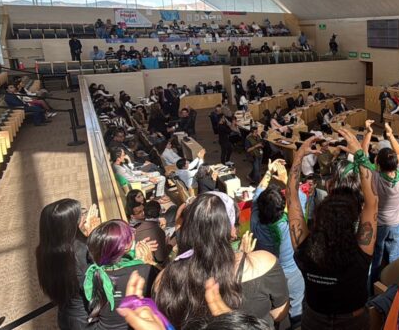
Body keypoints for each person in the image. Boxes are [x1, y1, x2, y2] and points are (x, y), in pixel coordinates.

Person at [155, 193, 289, 328]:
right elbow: (279, 314)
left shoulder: (163, 280)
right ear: (232, 230)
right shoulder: (262, 263)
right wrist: (244, 256)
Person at [288, 131, 378, 329]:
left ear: (319, 218)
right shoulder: (361, 252)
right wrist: (361, 155)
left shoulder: (305, 249)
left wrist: (297, 158)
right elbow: (372, 202)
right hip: (353, 322)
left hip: (314, 320)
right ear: (353, 219)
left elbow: (292, 200)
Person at [251, 160, 305, 327]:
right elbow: (299, 197)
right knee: (297, 308)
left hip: (268, 274)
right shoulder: (291, 222)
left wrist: (268, 172)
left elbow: (257, 195)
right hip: (293, 272)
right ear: (282, 207)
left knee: (273, 311)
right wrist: (284, 177)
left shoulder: (256, 223)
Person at [36, 199, 100, 330]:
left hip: (65, 315)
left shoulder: (45, 249)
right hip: (85, 320)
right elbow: (99, 281)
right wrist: (95, 238)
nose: (84, 217)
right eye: (80, 215)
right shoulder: (81, 253)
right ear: (69, 225)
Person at [83, 220, 158, 330]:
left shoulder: (93, 272)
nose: (133, 232)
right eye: (130, 232)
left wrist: (134, 255)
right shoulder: (144, 271)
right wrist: (149, 262)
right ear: (125, 246)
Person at [361, 121, 399, 287]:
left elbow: (362, 155)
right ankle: (395, 289)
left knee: (376, 259)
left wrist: (368, 132)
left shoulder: (374, 177)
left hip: (379, 224)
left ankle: (373, 289)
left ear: (378, 164)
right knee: (396, 259)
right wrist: (390, 135)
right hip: (397, 223)